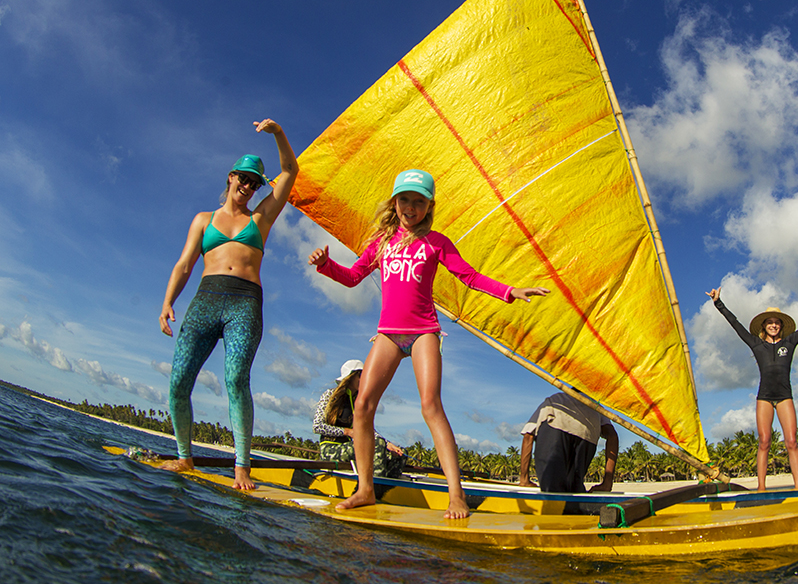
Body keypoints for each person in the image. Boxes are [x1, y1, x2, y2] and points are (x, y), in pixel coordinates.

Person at [309, 169, 549, 517]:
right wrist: (326, 265)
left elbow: (469, 276)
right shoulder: (381, 243)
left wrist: (510, 291)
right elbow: (352, 277)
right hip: (389, 333)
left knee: (430, 405)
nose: (410, 207)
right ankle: (365, 489)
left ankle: (456, 495)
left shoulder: (436, 242)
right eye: (404, 199)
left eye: (418, 201)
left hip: (423, 331)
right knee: (362, 407)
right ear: (395, 202)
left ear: (428, 206)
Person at [159, 119, 298, 490]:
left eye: (255, 182)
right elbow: (185, 263)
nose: (248, 186)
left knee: (236, 380)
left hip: (245, 304)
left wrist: (278, 133)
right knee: (178, 383)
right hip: (205, 301)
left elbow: (290, 171)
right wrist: (167, 302)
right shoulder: (204, 220)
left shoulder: (261, 216)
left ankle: (241, 467)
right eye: (244, 179)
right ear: (231, 176)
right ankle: (184, 457)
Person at [706, 283, 798, 491]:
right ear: (764, 326)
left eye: (777, 323)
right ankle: (761, 488)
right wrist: (718, 303)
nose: (774, 325)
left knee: (792, 442)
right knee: (764, 442)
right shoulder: (756, 344)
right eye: (770, 323)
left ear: (781, 326)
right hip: (764, 397)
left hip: (785, 396)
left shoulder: (790, 342)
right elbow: (736, 324)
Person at [313, 359, 408, 478]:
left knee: (400, 453)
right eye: (361, 375)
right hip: (330, 449)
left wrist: (388, 444)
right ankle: (374, 487)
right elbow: (317, 426)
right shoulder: (329, 395)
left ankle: (386, 489)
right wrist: (347, 432)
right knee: (377, 444)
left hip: (351, 447)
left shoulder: (359, 401)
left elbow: (367, 428)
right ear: (351, 376)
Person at [518, 392, 619, 499]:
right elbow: (612, 436)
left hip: (555, 433)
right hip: (585, 438)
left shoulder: (555, 400)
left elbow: (528, 436)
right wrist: (607, 483)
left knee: (552, 489)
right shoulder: (596, 408)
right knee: (574, 486)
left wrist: (524, 478)